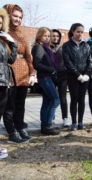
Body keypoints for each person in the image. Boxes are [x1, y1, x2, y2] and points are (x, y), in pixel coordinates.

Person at [3, 4, 35, 131]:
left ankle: (19, 126)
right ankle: (11, 130)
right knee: (10, 104)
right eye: (15, 16)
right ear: (7, 15)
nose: (18, 19)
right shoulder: (3, 32)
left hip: (23, 73)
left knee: (20, 104)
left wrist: (32, 73)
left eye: (20, 17)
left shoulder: (22, 34)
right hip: (9, 72)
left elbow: (28, 55)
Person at [63, 23, 92, 131]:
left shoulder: (86, 45)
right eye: (78, 31)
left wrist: (86, 74)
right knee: (74, 99)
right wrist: (78, 75)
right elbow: (67, 62)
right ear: (73, 31)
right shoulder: (66, 45)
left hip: (84, 77)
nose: (80, 34)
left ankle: (80, 122)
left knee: (82, 99)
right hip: (73, 77)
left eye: (81, 32)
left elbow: (90, 61)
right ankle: (74, 122)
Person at [32, 27, 60, 135]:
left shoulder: (45, 48)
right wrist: (51, 70)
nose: (47, 38)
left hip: (47, 77)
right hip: (45, 78)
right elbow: (36, 64)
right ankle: (48, 124)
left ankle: (44, 125)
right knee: (55, 100)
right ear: (39, 35)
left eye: (49, 36)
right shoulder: (39, 47)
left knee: (47, 101)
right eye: (45, 35)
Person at [0, 7, 17, 157]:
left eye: (0, 23)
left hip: (4, 80)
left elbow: (10, 60)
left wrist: (12, 44)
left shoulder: (3, 41)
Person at [50, 29, 70, 127]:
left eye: (57, 36)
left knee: (63, 98)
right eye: (53, 36)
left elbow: (67, 60)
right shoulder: (46, 48)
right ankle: (51, 117)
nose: (55, 38)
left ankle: (65, 118)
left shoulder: (62, 48)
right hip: (51, 76)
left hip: (63, 76)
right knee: (52, 98)